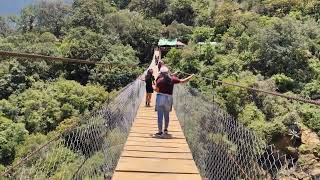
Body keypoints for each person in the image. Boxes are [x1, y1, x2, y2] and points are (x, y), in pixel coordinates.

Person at [154, 66, 194, 136]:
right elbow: (183, 81)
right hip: (169, 98)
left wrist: (152, 87)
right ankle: (165, 130)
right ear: (167, 72)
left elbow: (157, 90)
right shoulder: (172, 79)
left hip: (160, 97)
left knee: (160, 116)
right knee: (167, 115)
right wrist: (191, 76)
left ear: (161, 73)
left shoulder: (159, 80)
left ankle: (160, 132)